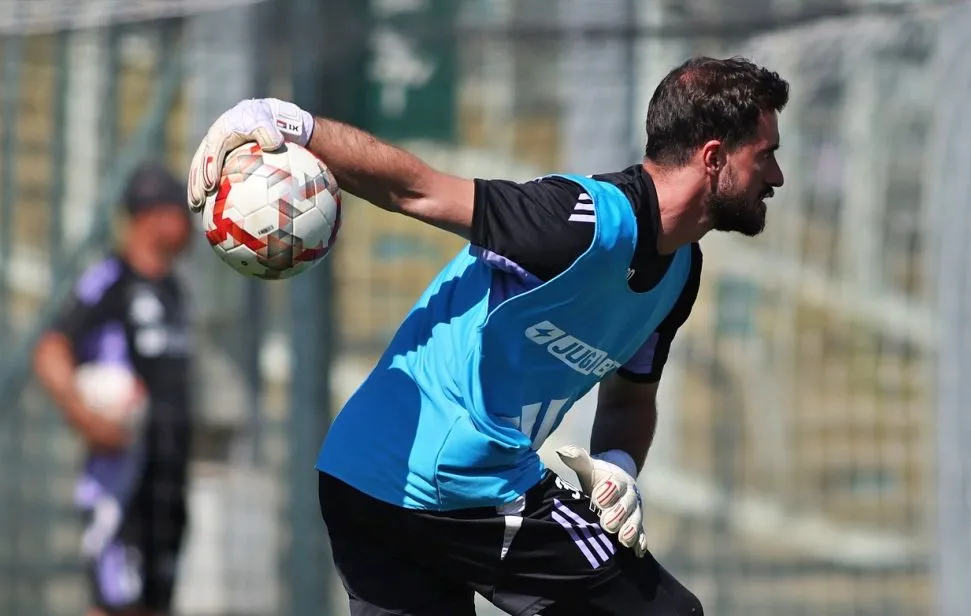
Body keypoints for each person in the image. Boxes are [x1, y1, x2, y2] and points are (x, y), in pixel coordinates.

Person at [188, 56, 787, 615]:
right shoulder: (580, 222)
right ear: (714, 157)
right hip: (452, 486)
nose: (778, 175)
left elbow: (632, 397)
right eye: (765, 155)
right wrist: (286, 122)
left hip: (364, 481)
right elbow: (414, 188)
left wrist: (619, 467)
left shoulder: (679, 272)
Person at [34, 163, 195, 616]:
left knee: (155, 605)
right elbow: (50, 349)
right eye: (180, 212)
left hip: (168, 476)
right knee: (113, 605)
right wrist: (83, 415)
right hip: (120, 479)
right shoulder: (110, 281)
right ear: (153, 217)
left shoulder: (175, 290)